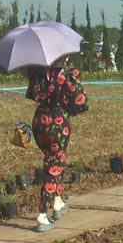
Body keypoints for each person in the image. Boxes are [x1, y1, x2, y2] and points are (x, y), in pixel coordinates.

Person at [26, 59, 88, 233]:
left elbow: (33, 94)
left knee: (55, 160)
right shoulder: (66, 74)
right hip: (58, 123)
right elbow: (80, 102)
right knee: (53, 166)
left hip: (40, 121)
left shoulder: (38, 72)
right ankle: (42, 214)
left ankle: (57, 202)